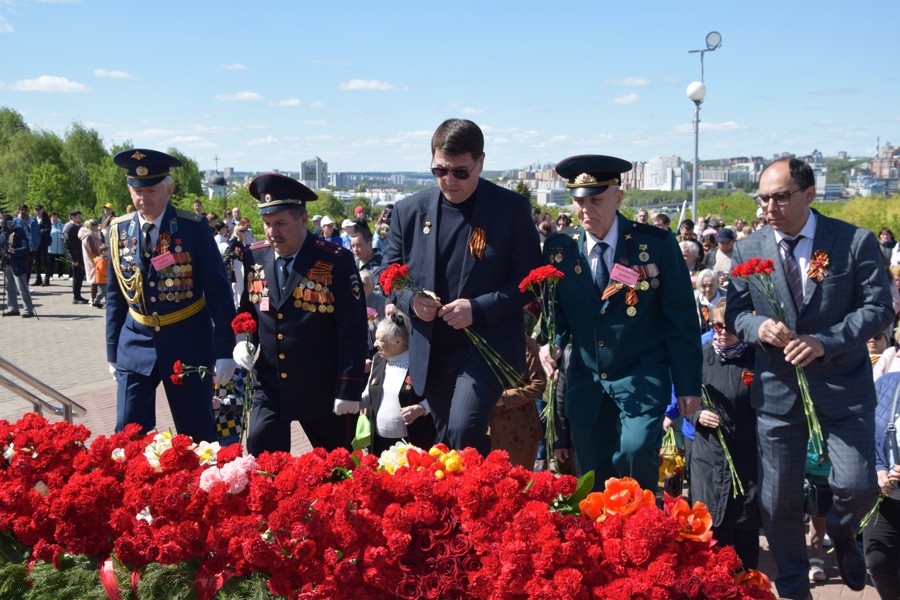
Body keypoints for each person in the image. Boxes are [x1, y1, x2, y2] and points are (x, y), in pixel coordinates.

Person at [724, 157, 894, 598]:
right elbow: (737, 313)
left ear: (809, 194)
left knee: (856, 485)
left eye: (780, 197)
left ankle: (841, 532)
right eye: (763, 199)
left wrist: (825, 341)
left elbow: (879, 309)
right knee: (778, 501)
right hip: (779, 393)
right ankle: (794, 584)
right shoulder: (748, 249)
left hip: (844, 388)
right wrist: (757, 328)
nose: (769, 207)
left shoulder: (852, 241)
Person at [538, 154, 702, 491]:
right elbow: (557, 313)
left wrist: (687, 384)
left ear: (618, 197)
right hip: (587, 381)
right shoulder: (560, 251)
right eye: (578, 201)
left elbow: (682, 318)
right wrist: (550, 342)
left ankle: (642, 534)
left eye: (596, 199)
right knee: (594, 478)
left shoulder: (653, 246)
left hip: (640, 376)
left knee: (635, 453)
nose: (585, 209)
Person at [382, 118, 542, 456]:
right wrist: (411, 301)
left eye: (460, 172)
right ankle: (461, 505)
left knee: (464, 428)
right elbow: (389, 273)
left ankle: (482, 498)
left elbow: (530, 282)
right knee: (445, 440)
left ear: (481, 162)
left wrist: (478, 308)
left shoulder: (510, 209)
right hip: (432, 348)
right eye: (439, 171)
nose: (448, 180)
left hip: (485, 346)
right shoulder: (408, 210)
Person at [106, 148, 237, 443]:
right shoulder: (118, 230)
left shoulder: (193, 228)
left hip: (187, 342)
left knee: (197, 434)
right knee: (127, 434)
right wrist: (112, 351)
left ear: (169, 189)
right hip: (135, 342)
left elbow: (218, 290)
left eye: (151, 189)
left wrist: (225, 350)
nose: (143, 198)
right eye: (137, 190)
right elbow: (115, 295)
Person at [232, 173, 368, 454]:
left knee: (337, 467)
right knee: (261, 450)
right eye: (267, 224)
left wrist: (349, 387)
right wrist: (243, 341)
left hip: (321, 385)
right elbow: (248, 310)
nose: (272, 232)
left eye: (281, 223)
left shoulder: (334, 260)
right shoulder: (254, 256)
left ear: (304, 220)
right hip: (271, 383)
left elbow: (352, 327)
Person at [688, 298, 760, 569]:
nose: (721, 331)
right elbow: (684, 397)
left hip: (745, 454)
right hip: (709, 454)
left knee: (744, 527)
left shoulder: (756, 357)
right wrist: (696, 414)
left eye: (728, 327)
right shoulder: (701, 355)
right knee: (710, 529)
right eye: (716, 325)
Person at [360, 310, 436, 454]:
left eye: (380, 339)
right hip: (379, 444)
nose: (375, 344)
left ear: (399, 340)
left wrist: (421, 408)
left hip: (413, 444)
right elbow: (369, 394)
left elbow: (439, 396)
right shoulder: (378, 359)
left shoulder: (419, 362)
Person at [489, 311, 545, 469]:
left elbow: (538, 384)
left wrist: (505, 398)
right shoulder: (481, 341)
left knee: (519, 484)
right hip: (487, 430)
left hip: (519, 431)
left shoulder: (528, 345)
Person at [865, 371, 900, 598]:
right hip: (886, 498)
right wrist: (878, 468)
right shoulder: (888, 383)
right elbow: (868, 431)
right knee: (877, 562)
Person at [1, 213, 36, 318]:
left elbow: (26, 248)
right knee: (9, 287)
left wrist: (14, 251)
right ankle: (12, 308)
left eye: (4, 224)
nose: (2, 226)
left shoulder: (19, 231)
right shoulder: (2, 233)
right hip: (7, 263)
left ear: (10, 223)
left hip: (18, 263)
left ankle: (28, 310)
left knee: (22, 287)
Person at [63, 209, 89, 304]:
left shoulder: (79, 227)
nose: (80, 218)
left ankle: (78, 295)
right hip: (75, 257)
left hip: (81, 255)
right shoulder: (69, 228)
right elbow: (70, 245)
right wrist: (74, 259)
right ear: (72, 217)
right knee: (77, 277)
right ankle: (76, 297)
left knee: (80, 276)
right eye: (78, 216)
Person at [78, 219, 104, 308]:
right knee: (94, 281)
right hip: (93, 261)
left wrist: (100, 232)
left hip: (95, 260)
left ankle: (95, 299)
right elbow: (92, 249)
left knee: (96, 280)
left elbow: (102, 242)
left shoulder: (92, 234)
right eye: (97, 225)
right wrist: (98, 259)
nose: (98, 227)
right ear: (93, 226)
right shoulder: (88, 236)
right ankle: (93, 299)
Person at [695, 269, 723, 335]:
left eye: (711, 285)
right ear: (698, 286)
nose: (707, 289)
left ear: (717, 284)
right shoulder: (693, 299)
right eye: (703, 286)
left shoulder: (727, 298)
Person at [32, 204, 51, 286]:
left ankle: (47, 279)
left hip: (43, 242)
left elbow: (47, 230)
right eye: (36, 210)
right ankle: (38, 278)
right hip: (36, 243)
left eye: (39, 209)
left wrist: (38, 232)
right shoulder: (33, 219)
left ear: (42, 210)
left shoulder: (46, 218)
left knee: (45, 261)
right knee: (36, 262)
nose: (37, 211)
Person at [47, 211, 66, 280]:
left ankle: (60, 275)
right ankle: (50, 275)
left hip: (60, 248)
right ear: (50, 218)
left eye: (56, 217)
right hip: (51, 248)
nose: (54, 218)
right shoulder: (48, 225)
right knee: (51, 262)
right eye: (53, 217)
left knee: (60, 262)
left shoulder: (62, 225)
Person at [93, 244, 109, 309]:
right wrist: (108, 275)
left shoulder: (105, 259)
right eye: (108, 251)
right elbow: (103, 270)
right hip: (102, 279)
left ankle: (107, 302)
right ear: (103, 252)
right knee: (101, 292)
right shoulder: (101, 261)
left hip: (105, 279)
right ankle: (96, 301)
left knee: (106, 292)